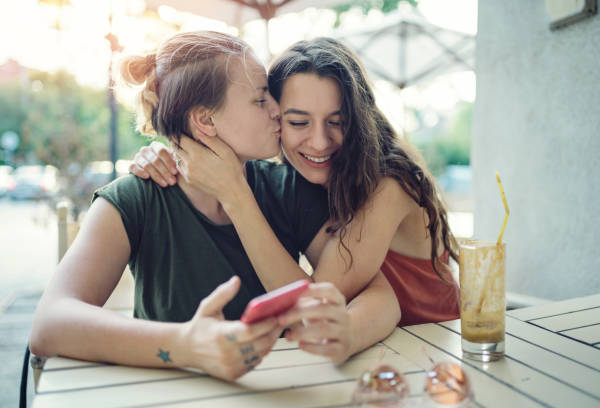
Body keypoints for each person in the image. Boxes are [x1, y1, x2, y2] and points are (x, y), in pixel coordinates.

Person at [29, 31, 400, 382]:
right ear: (205, 120)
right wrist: (188, 345)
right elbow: (49, 324)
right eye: (260, 99)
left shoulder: (288, 189)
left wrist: (348, 331)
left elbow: (379, 295)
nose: (278, 110)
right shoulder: (134, 199)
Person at [131, 37, 460, 328]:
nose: (319, 142)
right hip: (373, 353)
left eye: (338, 122)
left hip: (430, 345)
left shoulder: (391, 186)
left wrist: (235, 195)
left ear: (360, 121)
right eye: (298, 121)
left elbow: (313, 301)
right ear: (274, 117)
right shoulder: (297, 181)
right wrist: (168, 154)